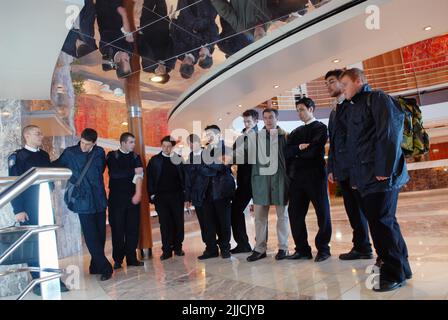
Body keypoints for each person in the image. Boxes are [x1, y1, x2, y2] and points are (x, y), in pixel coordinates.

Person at [341, 68, 412, 292]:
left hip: (380, 175)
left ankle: (393, 274)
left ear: (359, 80)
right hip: (366, 177)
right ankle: (403, 267)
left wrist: (384, 168)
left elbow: (389, 133)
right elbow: (356, 147)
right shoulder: (353, 108)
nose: (342, 90)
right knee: (385, 222)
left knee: (381, 223)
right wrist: (355, 178)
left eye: (345, 85)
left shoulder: (377, 98)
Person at [8, 125, 69, 295]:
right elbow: (14, 184)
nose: (41, 135)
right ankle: (37, 280)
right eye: (37, 133)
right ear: (26, 135)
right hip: (27, 206)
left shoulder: (43, 155)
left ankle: (51, 277)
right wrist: (18, 209)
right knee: (34, 244)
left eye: (41, 132)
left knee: (48, 240)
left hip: (44, 204)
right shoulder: (17, 157)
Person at [53, 128, 113, 281]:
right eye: (83, 143)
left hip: (99, 197)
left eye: (88, 145)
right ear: (80, 139)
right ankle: (106, 268)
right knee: (90, 235)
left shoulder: (99, 152)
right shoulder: (70, 152)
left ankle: (95, 266)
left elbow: (101, 170)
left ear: (94, 143)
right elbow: (57, 165)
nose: (84, 147)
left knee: (100, 234)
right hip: (82, 199)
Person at [326, 69, 373, 260]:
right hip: (342, 170)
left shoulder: (352, 106)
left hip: (355, 169)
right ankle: (361, 246)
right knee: (353, 211)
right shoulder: (333, 111)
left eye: (332, 81)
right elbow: (334, 143)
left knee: (364, 210)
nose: (328, 86)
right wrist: (331, 168)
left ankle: (366, 247)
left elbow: (354, 140)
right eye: (326, 83)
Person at [286, 97, 332, 263]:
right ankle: (302, 249)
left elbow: (314, 151)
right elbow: (286, 153)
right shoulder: (296, 132)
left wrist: (296, 152)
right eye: (297, 110)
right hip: (297, 179)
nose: (299, 113)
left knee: (323, 213)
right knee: (295, 214)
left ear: (311, 109)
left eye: (302, 110)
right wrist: (299, 148)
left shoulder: (320, 127)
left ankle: (323, 249)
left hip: (315, 176)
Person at [247, 108, 290, 262]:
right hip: (261, 182)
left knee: (282, 216)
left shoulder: (285, 136)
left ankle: (283, 248)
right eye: (265, 118)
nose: (268, 120)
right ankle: (259, 248)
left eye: (271, 117)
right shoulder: (255, 137)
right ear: (262, 120)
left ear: (276, 118)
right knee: (259, 217)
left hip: (280, 181)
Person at [106, 132, 144, 270]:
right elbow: (114, 174)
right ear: (122, 143)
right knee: (117, 229)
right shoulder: (112, 155)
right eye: (131, 142)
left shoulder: (135, 156)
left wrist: (138, 193)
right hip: (116, 199)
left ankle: (132, 258)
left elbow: (140, 176)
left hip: (133, 198)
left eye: (134, 142)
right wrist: (133, 170)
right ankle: (118, 260)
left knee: (132, 229)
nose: (133, 145)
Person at [196, 125, 235, 260]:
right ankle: (211, 249)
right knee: (209, 222)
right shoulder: (204, 151)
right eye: (207, 134)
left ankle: (225, 248)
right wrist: (212, 166)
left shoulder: (227, 149)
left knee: (224, 222)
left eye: (211, 134)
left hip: (222, 191)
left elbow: (223, 166)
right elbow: (200, 169)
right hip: (206, 192)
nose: (209, 136)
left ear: (219, 135)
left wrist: (209, 165)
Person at [147, 136, 185, 260]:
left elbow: (184, 178)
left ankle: (178, 247)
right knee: (164, 223)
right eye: (164, 146)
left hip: (177, 196)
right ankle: (167, 250)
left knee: (178, 222)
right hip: (161, 197)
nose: (166, 148)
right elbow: (150, 178)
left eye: (168, 146)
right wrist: (152, 194)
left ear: (172, 146)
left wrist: (185, 194)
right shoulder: (155, 160)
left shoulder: (178, 159)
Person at [230, 109, 259, 254]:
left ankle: (261, 246)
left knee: (260, 214)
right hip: (244, 181)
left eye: (249, 121)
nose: (246, 124)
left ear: (256, 122)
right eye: (245, 121)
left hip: (257, 181)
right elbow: (234, 155)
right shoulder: (241, 138)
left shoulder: (260, 136)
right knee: (235, 210)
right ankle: (242, 244)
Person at [171, 0, 218, 79]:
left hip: (184, 17)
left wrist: (173, 22)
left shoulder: (178, 53)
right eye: (187, 63)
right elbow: (209, 27)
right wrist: (196, 30)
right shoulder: (199, 50)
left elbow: (174, 36)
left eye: (183, 63)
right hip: (198, 14)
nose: (185, 61)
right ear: (192, 64)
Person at [139, 0, 176, 84]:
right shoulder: (171, 63)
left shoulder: (147, 67)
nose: (160, 70)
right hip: (162, 26)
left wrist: (140, 35)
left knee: (148, 4)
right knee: (161, 3)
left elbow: (142, 51)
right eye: (162, 72)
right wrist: (172, 25)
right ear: (166, 72)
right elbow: (173, 44)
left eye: (158, 73)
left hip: (147, 27)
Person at [95, 0, 134, 78]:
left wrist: (125, 34)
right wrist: (124, 15)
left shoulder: (105, 51)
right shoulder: (129, 52)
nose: (128, 57)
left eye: (126, 60)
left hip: (104, 13)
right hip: (118, 14)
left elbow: (107, 34)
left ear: (118, 60)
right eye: (129, 61)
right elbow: (129, 33)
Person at [184, 134, 209, 251]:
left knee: (213, 221)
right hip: (197, 195)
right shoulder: (190, 159)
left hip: (209, 194)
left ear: (200, 143)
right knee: (203, 222)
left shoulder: (209, 154)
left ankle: (223, 246)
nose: (191, 145)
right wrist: (187, 198)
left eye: (193, 142)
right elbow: (188, 180)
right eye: (189, 143)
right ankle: (209, 247)